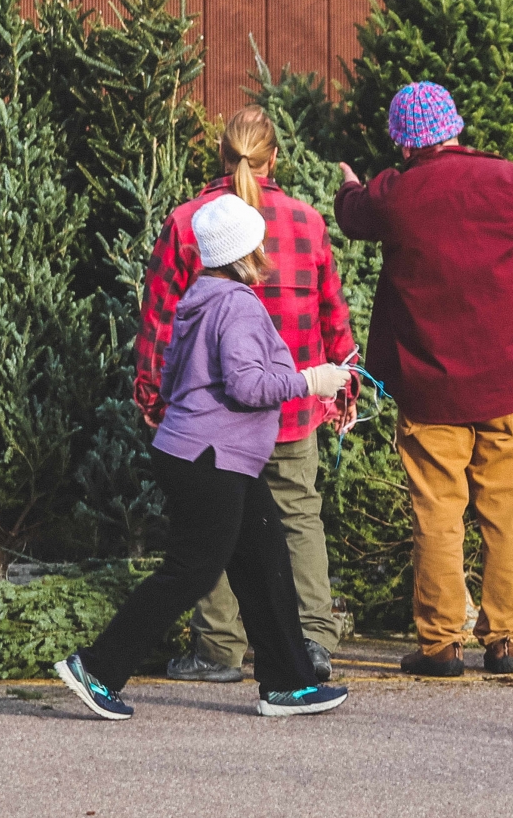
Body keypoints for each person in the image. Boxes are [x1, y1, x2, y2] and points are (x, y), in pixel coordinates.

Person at [55, 193, 353, 721]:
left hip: (211, 455)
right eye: (261, 245)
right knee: (191, 571)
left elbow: (173, 374)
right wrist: (314, 379)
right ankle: (97, 669)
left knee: (264, 561)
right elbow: (246, 385)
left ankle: (288, 683)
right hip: (211, 458)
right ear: (245, 254)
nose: (267, 252)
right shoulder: (237, 303)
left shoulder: (200, 297)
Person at [336, 81, 513, 678]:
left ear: (404, 143)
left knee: (437, 514)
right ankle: (506, 640)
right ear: (455, 128)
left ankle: (441, 643)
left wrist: (349, 185)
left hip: (429, 391)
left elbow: (352, 218)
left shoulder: (395, 192)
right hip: (510, 384)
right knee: (507, 513)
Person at [133, 107, 358, 683]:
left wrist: (154, 395)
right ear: (274, 157)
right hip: (291, 404)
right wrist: (343, 381)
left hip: (211, 416)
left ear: (219, 155)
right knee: (299, 516)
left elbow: (161, 319)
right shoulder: (307, 221)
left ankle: (219, 649)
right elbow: (332, 310)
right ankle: (311, 642)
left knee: (214, 527)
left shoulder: (189, 223)